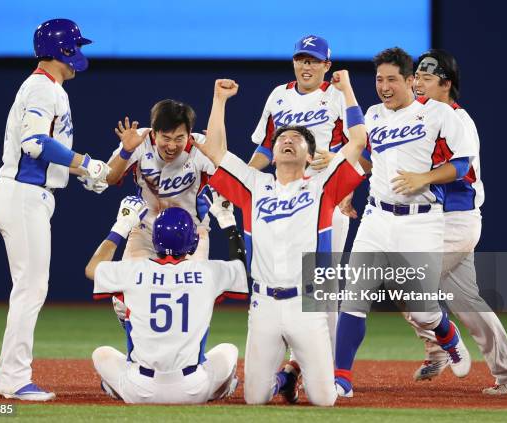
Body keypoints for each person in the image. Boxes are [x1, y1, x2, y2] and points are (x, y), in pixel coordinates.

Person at [194, 72, 367, 406]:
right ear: (272, 154)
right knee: (255, 399)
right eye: (282, 137)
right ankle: (282, 378)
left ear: (310, 156)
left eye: (297, 139)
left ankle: (293, 373)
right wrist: (218, 101)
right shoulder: (252, 185)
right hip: (264, 306)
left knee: (324, 400)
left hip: (307, 305)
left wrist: (346, 90)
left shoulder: (322, 188)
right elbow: (214, 152)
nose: (288, 139)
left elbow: (358, 141)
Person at [334, 47, 476, 398]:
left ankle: (447, 335)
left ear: (411, 81)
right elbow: (368, 159)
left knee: (422, 309)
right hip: (376, 217)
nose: (384, 86)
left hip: (420, 222)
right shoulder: (374, 115)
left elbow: (461, 165)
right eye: (379, 79)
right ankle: (341, 379)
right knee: (353, 297)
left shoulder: (438, 114)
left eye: (392, 79)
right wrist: (347, 188)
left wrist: (423, 178)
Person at [0, 18, 109, 401]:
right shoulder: (42, 87)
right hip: (23, 194)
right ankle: (13, 378)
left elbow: (45, 152)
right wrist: (86, 163)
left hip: (26, 193)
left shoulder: (48, 87)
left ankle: (4, 376)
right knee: (31, 289)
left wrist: (81, 172)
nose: (80, 54)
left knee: (28, 288)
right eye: (77, 46)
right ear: (64, 51)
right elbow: (35, 143)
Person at [403, 49, 507, 394]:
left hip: (456, 221)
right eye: (416, 76)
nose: (417, 82)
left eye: (426, 77)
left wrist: (424, 178)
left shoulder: (457, 119)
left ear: (446, 83)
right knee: (468, 303)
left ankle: (441, 347)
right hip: (439, 222)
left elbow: (461, 169)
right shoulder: (422, 118)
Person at [249, 34, 352, 402]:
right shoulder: (279, 95)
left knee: (323, 293)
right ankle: (287, 368)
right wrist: (245, 179)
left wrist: (346, 186)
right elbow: (264, 147)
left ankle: (325, 372)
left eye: (313, 60)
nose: (306, 65)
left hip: (324, 200)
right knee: (282, 282)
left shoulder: (337, 97)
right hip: (282, 202)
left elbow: (353, 145)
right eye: (300, 59)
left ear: (326, 65)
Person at [85, 197, 248, 404]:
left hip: (140, 389)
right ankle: (219, 390)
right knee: (228, 350)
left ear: (154, 240)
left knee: (102, 354)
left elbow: (92, 269)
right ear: (193, 241)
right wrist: (227, 222)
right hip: (193, 389)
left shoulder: (133, 271)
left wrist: (122, 225)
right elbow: (242, 268)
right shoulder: (207, 272)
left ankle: (118, 388)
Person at [102, 99, 239, 320]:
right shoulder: (139, 140)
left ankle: (187, 352)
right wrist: (126, 152)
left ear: (190, 133)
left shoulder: (199, 146)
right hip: (146, 230)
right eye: (165, 138)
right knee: (123, 299)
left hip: (191, 234)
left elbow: (231, 181)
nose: (172, 145)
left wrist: (216, 155)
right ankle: (139, 351)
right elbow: (109, 177)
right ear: (154, 133)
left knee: (194, 298)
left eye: (179, 138)